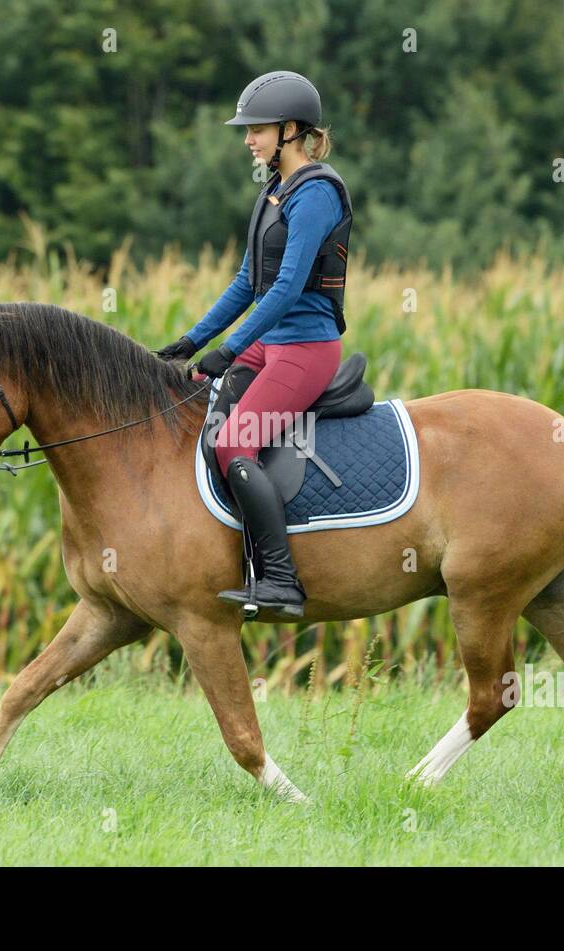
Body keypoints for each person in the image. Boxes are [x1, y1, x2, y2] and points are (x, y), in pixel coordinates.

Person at [154, 70, 354, 619]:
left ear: (291, 130)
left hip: (305, 349)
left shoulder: (314, 194)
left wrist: (231, 346)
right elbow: (248, 280)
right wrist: (191, 342)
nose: (248, 139)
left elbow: (288, 287)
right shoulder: (273, 189)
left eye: (257, 129)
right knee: (199, 406)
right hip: (269, 344)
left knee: (233, 444)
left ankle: (281, 581)